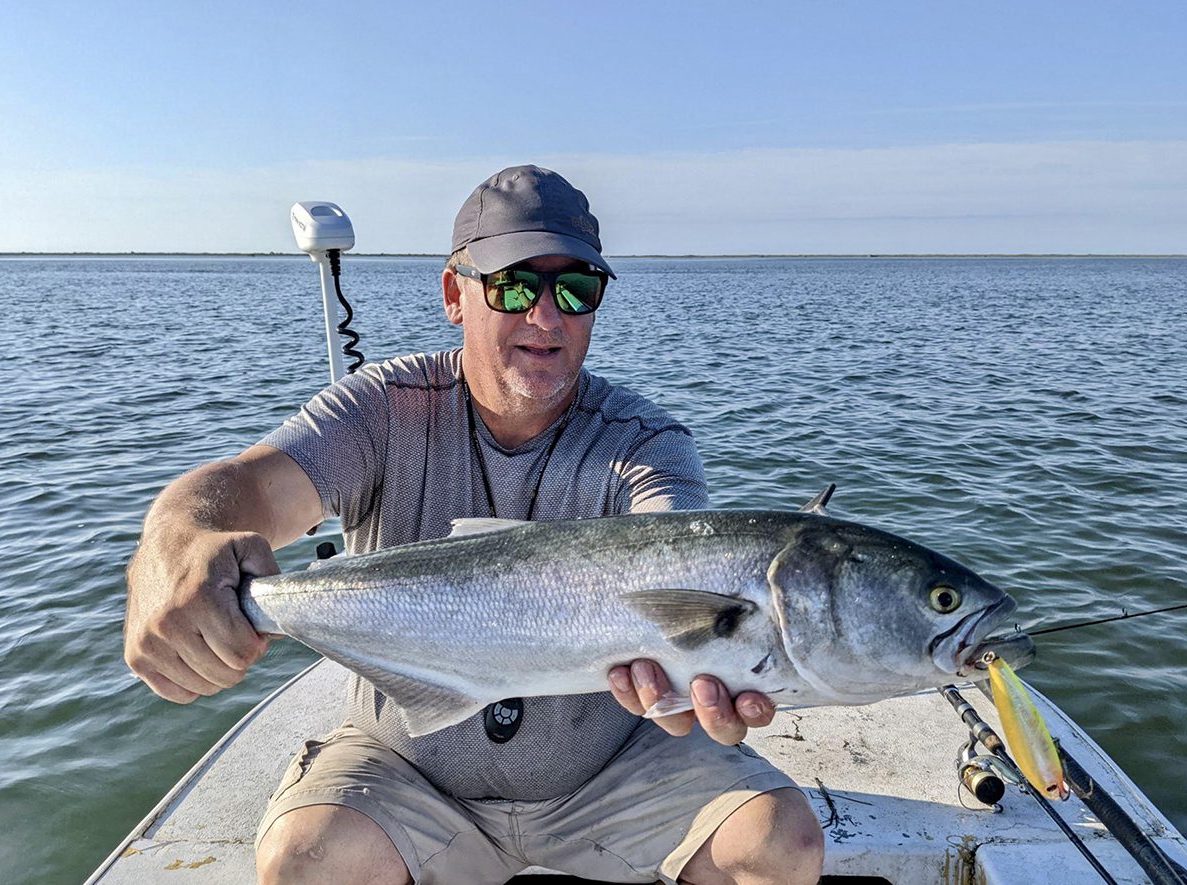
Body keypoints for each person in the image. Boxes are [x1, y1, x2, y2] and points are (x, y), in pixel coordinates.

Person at [124, 165, 824, 885]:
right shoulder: (380, 408)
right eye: (514, 284)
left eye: (576, 288)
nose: (546, 319)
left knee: (779, 845)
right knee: (307, 859)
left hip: (607, 768)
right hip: (407, 769)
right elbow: (248, 489)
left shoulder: (646, 442)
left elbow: (683, 559)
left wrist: (708, 657)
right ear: (456, 294)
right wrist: (173, 544)